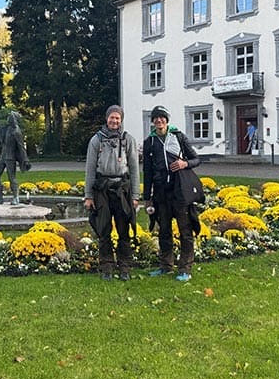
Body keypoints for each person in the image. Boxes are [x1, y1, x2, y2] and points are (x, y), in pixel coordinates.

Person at [143, 105, 201, 282]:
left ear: (167, 120)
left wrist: (185, 164)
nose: (159, 120)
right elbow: (147, 172)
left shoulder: (178, 136)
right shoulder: (149, 142)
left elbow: (196, 159)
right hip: (161, 191)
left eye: (162, 117)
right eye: (156, 118)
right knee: (164, 230)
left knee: (185, 229)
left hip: (179, 189)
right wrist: (147, 198)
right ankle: (166, 265)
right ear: (153, 121)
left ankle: (185, 268)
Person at [84, 105, 140, 281]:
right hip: (102, 189)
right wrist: (88, 195)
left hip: (122, 188)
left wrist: (135, 195)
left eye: (117, 118)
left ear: (121, 120)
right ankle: (106, 266)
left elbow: (134, 169)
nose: (114, 121)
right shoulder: (96, 140)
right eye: (112, 117)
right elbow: (90, 169)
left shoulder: (128, 140)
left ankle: (124, 267)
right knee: (104, 228)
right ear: (107, 119)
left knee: (123, 229)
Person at [0, 111, 31, 205]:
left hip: (10, 158)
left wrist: (25, 160)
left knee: (11, 178)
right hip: (3, 157)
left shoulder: (16, 132)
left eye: (10, 117)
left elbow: (21, 147)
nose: (8, 118)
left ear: (14, 119)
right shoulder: (7, 128)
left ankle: (16, 197)